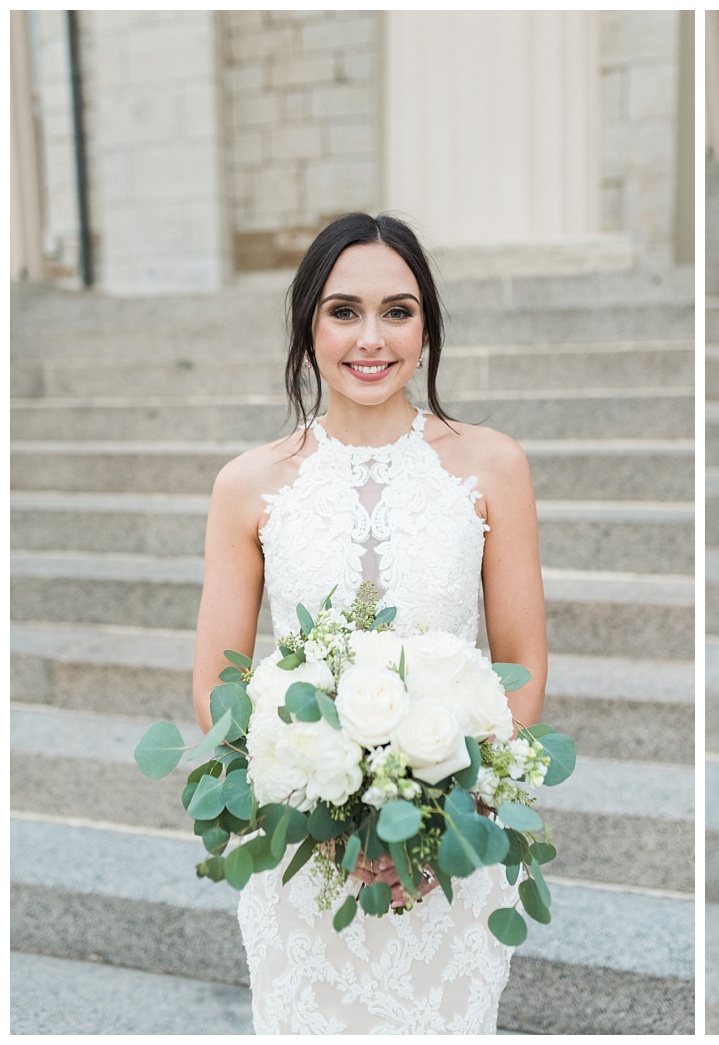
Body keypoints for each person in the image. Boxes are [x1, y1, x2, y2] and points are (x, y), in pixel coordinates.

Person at [192, 212, 547, 1033]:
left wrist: (443, 813)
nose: (371, 338)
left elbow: (520, 662)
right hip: (303, 859)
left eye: (399, 310)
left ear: (426, 326)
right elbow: (220, 686)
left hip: (449, 848)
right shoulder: (246, 485)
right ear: (308, 322)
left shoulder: (492, 464)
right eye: (343, 310)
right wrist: (320, 811)